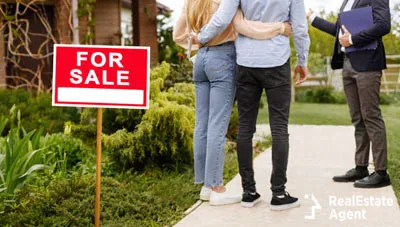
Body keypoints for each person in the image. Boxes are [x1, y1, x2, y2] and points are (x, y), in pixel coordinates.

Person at [173, 0, 292, 206]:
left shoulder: (191, 1)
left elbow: (177, 35)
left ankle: (205, 186)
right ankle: (216, 188)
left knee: (202, 124)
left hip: (200, 59)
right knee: (217, 125)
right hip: (222, 57)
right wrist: (280, 28)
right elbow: (244, 27)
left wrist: (197, 41)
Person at [197, 0, 310, 210]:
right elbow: (300, 28)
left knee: (246, 128)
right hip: (277, 61)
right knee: (279, 127)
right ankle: (279, 193)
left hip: (246, 61)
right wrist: (302, 60)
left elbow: (222, 18)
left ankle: (248, 192)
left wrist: (201, 38)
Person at [307, 0, 391, 188]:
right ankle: (361, 167)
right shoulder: (347, 1)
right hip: (348, 62)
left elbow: (384, 24)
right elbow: (339, 30)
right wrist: (313, 19)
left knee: (371, 115)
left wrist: (353, 39)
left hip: (368, 62)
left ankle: (381, 172)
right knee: (357, 117)